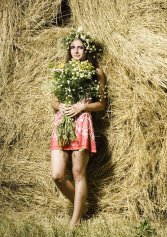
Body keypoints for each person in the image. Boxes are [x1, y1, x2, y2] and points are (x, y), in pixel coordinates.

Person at [50, 29, 105, 227]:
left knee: (77, 173)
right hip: (62, 122)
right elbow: (54, 101)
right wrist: (60, 106)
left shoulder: (95, 73)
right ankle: (81, 204)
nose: (76, 51)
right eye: (72, 47)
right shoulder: (62, 69)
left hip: (82, 122)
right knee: (57, 175)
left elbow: (101, 104)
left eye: (80, 47)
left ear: (86, 50)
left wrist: (83, 106)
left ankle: (75, 221)